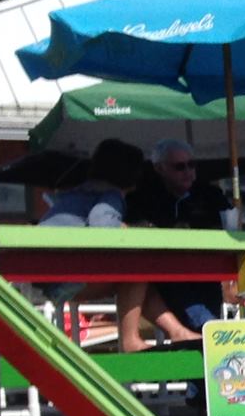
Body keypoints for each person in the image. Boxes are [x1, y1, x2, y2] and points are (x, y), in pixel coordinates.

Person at [117, 140, 232, 351]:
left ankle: (207, 332)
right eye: (179, 166)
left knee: (203, 347)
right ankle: (208, 327)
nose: (188, 171)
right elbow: (138, 233)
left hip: (205, 276)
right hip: (166, 278)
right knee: (206, 338)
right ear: (159, 168)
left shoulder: (210, 195)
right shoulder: (142, 198)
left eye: (192, 165)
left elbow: (226, 228)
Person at [40, 138, 138, 228]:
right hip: (61, 244)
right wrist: (123, 228)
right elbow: (102, 223)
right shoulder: (111, 195)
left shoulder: (79, 192)